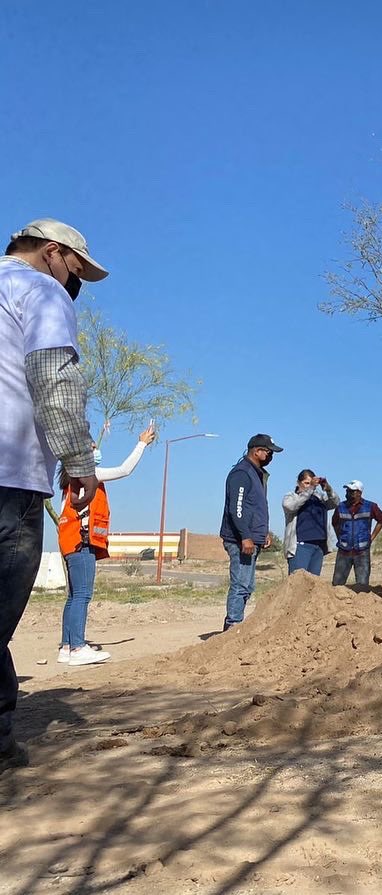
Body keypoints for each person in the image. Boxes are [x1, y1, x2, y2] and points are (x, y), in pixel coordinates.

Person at [0, 219, 106, 773]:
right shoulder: (38, 290)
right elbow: (54, 376)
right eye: (77, 273)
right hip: (9, 477)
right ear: (52, 253)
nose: (75, 287)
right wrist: (80, 459)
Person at [57, 424, 157, 666]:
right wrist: (142, 443)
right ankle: (78, 648)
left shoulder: (70, 480)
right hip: (82, 543)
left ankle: (67, 646)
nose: (96, 450)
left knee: (73, 597)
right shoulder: (88, 475)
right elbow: (125, 469)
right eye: (92, 447)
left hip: (70, 543)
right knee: (82, 595)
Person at [220, 434, 283, 630]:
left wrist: (262, 533)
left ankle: (235, 624)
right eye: (269, 452)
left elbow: (255, 508)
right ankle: (232, 626)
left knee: (248, 586)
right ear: (257, 451)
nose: (271, 456)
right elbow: (236, 509)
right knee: (240, 585)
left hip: (252, 538)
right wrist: (246, 536)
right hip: (240, 540)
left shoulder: (256, 474)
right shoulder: (242, 473)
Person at [331, 480, 382, 587]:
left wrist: (371, 538)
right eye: (347, 491)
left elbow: (381, 519)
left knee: (362, 585)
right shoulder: (340, 507)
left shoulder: (371, 506)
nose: (348, 494)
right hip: (344, 551)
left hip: (362, 551)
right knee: (337, 585)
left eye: (351, 491)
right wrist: (340, 538)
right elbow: (335, 523)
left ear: (359, 493)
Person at [282, 469, 337, 575]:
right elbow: (291, 506)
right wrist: (310, 489)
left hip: (319, 546)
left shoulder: (319, 498)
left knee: (313, 584)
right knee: (298, 582)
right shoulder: (291, 497)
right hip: (300, 545)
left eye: (311, 483)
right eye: (306, 483)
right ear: (298, 483)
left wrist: (328, 489)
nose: (309, 486)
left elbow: (335, 503)